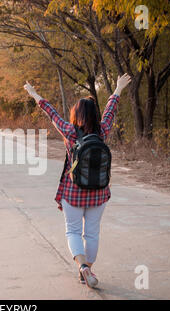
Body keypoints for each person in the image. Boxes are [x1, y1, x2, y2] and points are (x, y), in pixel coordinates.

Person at [24, 74, 131, 288]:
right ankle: (88, 269)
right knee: (91, 231)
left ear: (76, 114)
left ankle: (83, 267)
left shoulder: (70, 131)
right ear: (94, 114)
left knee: (73, 230)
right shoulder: (103, 130)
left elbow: (50, 112)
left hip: (73, 192)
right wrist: (118, 88)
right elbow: (111, 110)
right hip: (99, 192)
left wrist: (34, 93)